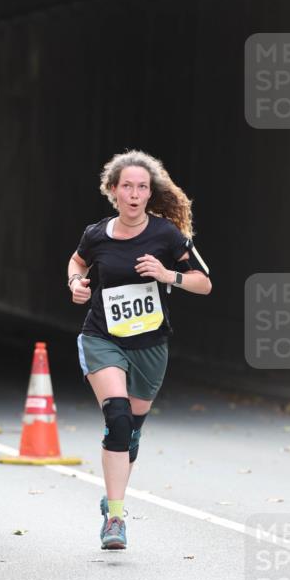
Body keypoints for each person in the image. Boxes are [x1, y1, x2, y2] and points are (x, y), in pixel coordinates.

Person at [67, 149, 212, 550]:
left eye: (141, 187)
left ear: (150, 193)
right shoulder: (95, 234)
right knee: (117, 418)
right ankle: (116, 517)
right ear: (113, 191)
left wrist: (169, 275)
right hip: (102, 337)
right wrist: (76, 284)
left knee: (132, 431)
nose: (134, 194)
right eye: (126, 186)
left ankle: (113, 491)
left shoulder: (166, 235)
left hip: (150, 345)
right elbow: (76, 263)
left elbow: (204, 282)